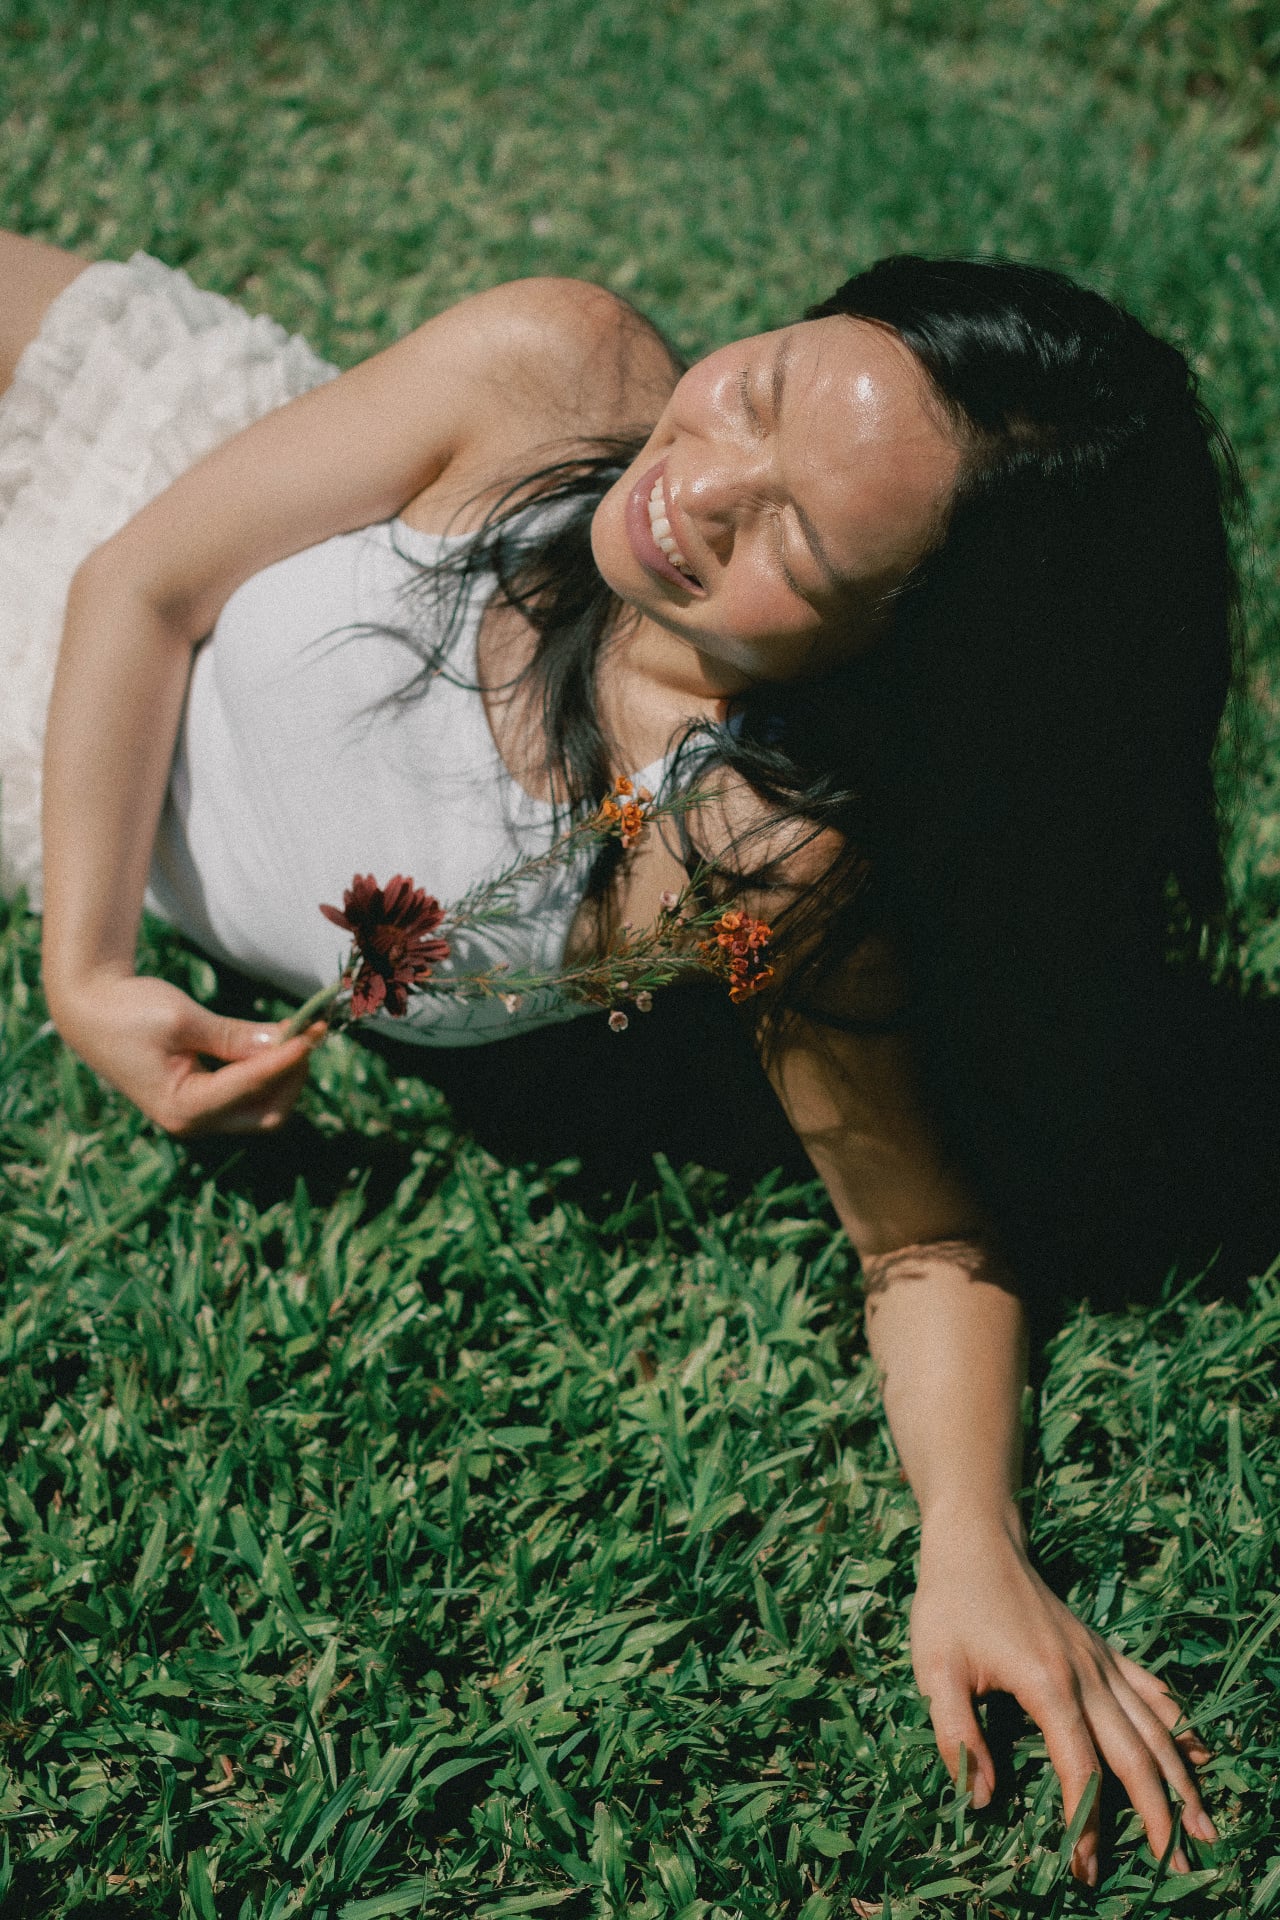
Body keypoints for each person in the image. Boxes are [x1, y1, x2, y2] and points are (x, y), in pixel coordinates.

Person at [0, 228, 1235, 1887]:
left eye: (796, 532)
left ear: (897, 651)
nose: (705, 483)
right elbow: (134, 586)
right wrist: (85, 974)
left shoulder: (756, 850)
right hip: (124, 486)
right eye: (767, 389)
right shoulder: (544, 369)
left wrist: (972, 1544)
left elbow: (924, 1240)